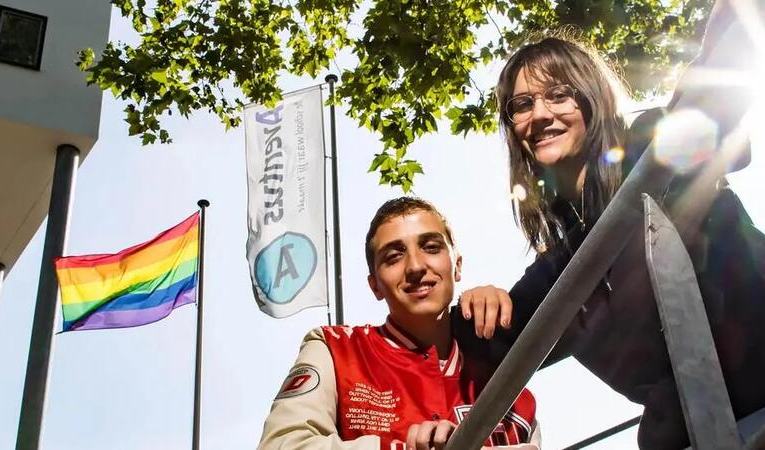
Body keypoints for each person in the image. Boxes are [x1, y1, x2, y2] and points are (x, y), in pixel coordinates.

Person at [453, 11, 765, 450]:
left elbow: (715, 105)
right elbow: (461, 350)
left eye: (558, 95)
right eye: (521, 105)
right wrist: (477, 303)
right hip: (696, 435)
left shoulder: (645, 148)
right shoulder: (558, 271)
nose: (539, 115)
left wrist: (733, 20)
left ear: (590, 98)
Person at [258, 197, 541, 450]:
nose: (416, 267)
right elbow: (282, 445)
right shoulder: (335, 348)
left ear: (456, 266)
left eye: (431, 247)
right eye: (394, 256)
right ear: (375, 286)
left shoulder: (504, 371)